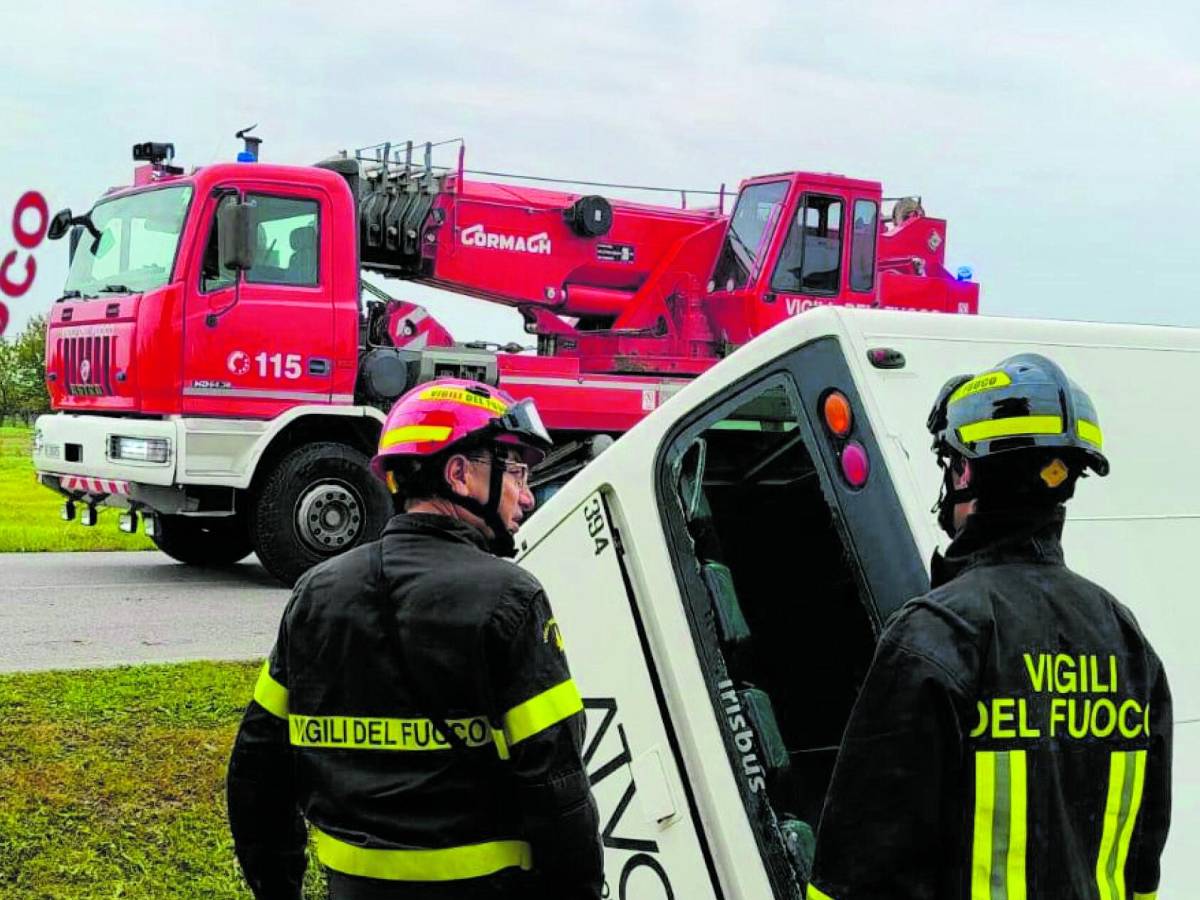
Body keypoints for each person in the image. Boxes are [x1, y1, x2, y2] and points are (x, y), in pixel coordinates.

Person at [806, 354, 1171, 900]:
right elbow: (1142, 866)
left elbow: (857, 875)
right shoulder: (1124, 639)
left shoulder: (935, 637)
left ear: (966, 471)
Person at [227, 378, 603, 899]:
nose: (527, 493)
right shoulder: (510, 597)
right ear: (459, 473)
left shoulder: (316, 592)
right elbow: (555, 782)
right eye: (516, 470)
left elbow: (257, 770)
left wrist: (279, 888)